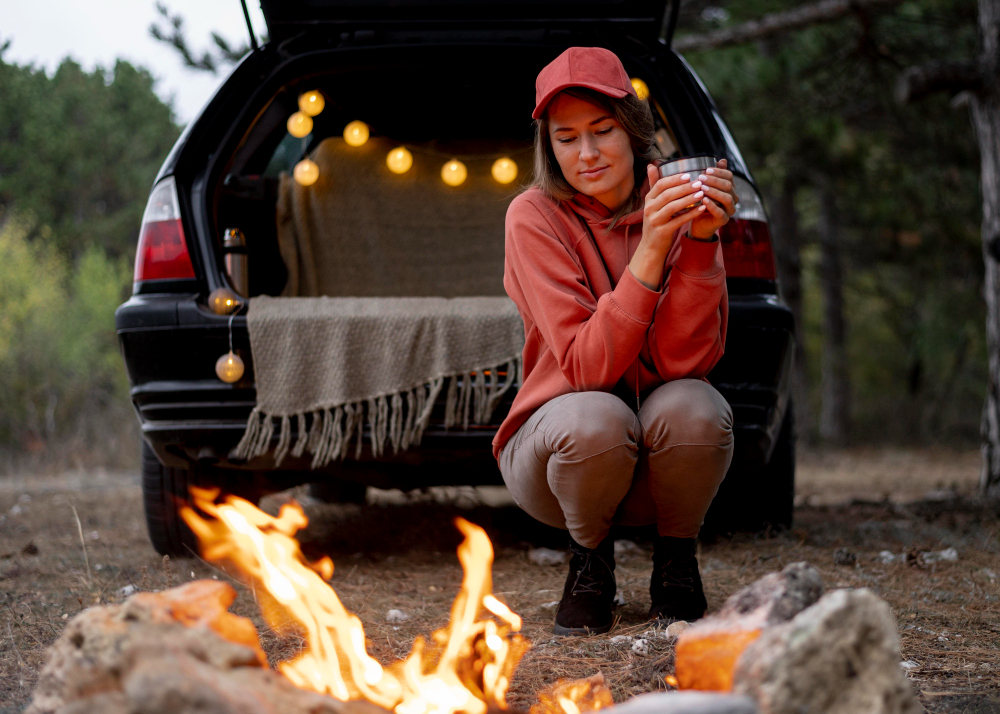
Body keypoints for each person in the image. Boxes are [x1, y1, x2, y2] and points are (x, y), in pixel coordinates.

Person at [492, 47, 737, 635]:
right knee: (595, 417)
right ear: (547, 145)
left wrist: (699, 242)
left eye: (602, 131)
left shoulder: (678, 200)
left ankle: (677, 562)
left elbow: (688, 361)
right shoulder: (533, 215)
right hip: (559, 462)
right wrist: (652, 252)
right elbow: (585, 366)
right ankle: (589, 563)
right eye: (567, 137)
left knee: (696, 407)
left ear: (633, 131)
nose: (588, 153)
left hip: (657, 467)